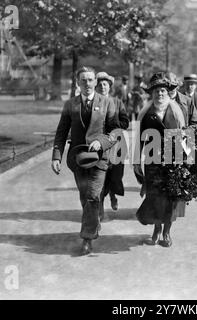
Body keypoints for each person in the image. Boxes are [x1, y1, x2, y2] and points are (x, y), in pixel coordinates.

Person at [51, 66, 119, 255]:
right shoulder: (70, 105)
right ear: (77, 83)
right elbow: (61, 132)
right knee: (85, 198)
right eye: (83, 80)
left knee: (92, 195)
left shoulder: (107, 103)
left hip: (99, 159)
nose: (87, 84)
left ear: (95, 82)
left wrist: (101, 142)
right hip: (78, 159)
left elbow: (115, 132)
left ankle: (87, 238)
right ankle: (93, 222)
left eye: (90, 80)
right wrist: (56, 156)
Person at [133, 72, 186, 247]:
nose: (160, 94)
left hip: (173, 161)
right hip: (152, 161)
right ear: (152, 93)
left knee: (170, 198)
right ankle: (156, 230)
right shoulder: (145, 113)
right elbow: (137, 139)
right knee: (154, 196)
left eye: (163, 91)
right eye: (156, 91)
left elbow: (184, 137)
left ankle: (167, 232)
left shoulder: (177, 111)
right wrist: (136, 162)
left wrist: (186, 161)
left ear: (168, 92)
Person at [96, 71, 129, 216]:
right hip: (99, 145)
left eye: (105, 84)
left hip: (116, 144)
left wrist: (115, 124)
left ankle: (113, 195)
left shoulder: (117, 102)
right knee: (100, 175)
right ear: (96, 87)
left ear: (109, 87)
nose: (103, 87)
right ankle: (100, 207)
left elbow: (125, 122)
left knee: (115, 175)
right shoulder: (94, 103)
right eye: (100, 84)